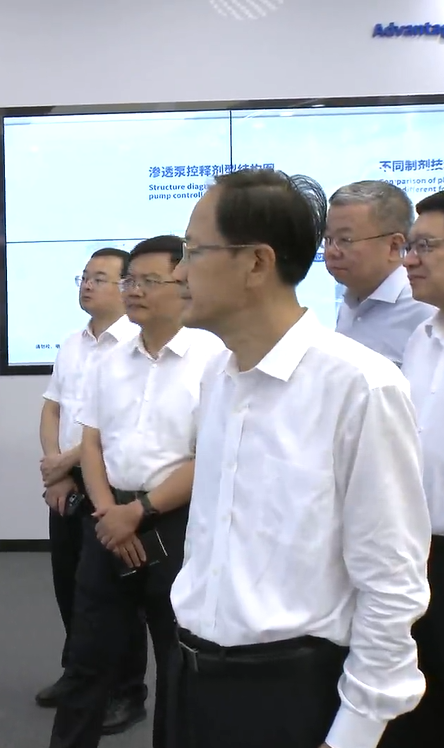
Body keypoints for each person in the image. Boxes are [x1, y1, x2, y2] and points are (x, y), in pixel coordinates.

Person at [170, 168, 431, 748]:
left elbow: (391, 579)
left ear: (256, 263)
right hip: (191, 675)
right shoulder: (218, 376)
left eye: (193, 250)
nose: (179, 272)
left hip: (289, 692)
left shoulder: (359, 385)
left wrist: (355, 733)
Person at [49, 236, 224, 748]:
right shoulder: (110, 359)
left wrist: (140, 512)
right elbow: (92, 440)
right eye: (130, 280)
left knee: (175, 658)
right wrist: (109, 511)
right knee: (87, 656)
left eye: (150, 281)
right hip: (107, 518)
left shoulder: (213, 359)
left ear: (183, 284)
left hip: (175, 521)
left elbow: (209, 454)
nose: (134, 291)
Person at [38, 246, 150, 734]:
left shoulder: (136, 348)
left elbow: (110, 431)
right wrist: (56, 472)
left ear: (125, 287)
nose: (87, 284)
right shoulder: (72, 343)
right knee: (70, 585)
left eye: (99, 278)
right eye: (84, 276)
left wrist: (66, 463)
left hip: (107, 485)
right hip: (66, 484)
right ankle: (78, 674)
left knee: (114, 596)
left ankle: (126, 690)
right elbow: (52, 409)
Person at [381, 188, 444, 748]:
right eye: (409, 246)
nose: (409, 260)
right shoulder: (423, 338)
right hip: (417, 553)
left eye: (425, 246)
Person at [327, 180, 434, 365]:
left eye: (346, 240)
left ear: (394, 246)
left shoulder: (424, 308)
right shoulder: (350, 300)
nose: (331, 251)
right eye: (328, 239)